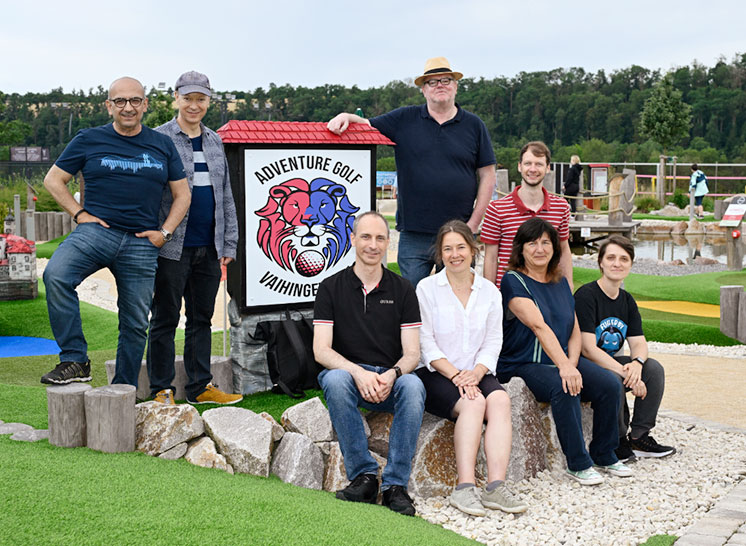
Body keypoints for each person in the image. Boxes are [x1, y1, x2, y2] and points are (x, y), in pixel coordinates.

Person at [41, 77, 190, 386]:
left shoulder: (162, 145)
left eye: (135, 100)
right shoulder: (88, 139)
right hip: (96, 233)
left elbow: (183, 194)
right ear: (109, 106)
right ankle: (75, 359)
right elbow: (53, 180)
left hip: (141, 242)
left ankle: (123, 388)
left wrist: (165, 232)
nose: (128, 107)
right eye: (120, 101)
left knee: (135, 323)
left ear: (145, 105)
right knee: (56, 275)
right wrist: (80, 214)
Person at [327, 57, 496, 287]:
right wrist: (346, 117)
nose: (440, 85)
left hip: (459, 231)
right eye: (432, 82)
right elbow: (366, 124)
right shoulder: (404, 118)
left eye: (446, 80)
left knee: (458, 297)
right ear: (423, 90)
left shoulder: (474, 126)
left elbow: (488, 175)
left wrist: (474, 224)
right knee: (409, 300)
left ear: (456, 86)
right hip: (415, 233)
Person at [496, 218, 630, 485]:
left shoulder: (560, 281)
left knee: (609, 384)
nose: (540, 249)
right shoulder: (513, 280)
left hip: (559, 359)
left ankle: (604, 453)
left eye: (546, 242)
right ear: (520, 248)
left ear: (555, 248)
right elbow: (538, 326)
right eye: (532, 243)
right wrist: (566, 368)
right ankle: (578, 463)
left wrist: (571, 361)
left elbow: (574, 329)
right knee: (565, 385)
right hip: (523, 362)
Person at [313, 211, 426, 516]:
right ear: (352, 239)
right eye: (365, 237)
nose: (372, 245)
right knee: (334, 380)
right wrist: (357, 372)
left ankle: (394, 485)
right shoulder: (330, 287)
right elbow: (321, 350)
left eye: (379, 238)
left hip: (390, 379)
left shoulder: (403, 289)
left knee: (413, 385)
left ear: (388, 242)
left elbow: (412, 354)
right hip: (349, 377)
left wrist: (393, 375)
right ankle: (364, 476)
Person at [415, 220, 527, 516]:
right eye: (447, 249)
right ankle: (464, 488)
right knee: (474, 404)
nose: (455, 254)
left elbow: (493, 341)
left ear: (473, 249)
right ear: (439, 254)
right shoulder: (426, 289)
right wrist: (456, 375)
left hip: (475, 371)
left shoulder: (489, 291)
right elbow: (425, 343)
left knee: (500, 399)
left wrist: (475, 374)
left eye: (461, 247)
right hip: (436, 372)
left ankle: (495, 488)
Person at [144, 71, 241, 406]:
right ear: (176, 98)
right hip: (172, 247)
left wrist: (228, 243)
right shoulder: (158, 139)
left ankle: (200, 387)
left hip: (209, 247)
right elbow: (150, 194)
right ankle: (160, 388)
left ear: (208, 102)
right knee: (165, 318)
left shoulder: (215, 141)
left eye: (201, 99)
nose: (194, 105)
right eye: (188, 98)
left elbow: (225, 195)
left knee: (200, 319)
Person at [574, 235, 676, 462]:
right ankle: (617, 441)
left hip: (612, 364)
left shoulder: (626, 300)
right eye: (610, 257)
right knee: (613, 378)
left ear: (630, 265)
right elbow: (588, 349)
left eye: (623, 259)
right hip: (585, 367)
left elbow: (638, 342)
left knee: (654, 369)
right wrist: (628, 375)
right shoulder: (586, 296)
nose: (616, 263)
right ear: (600, 262)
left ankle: (639, 437)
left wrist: (637, 365)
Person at [481, 141, 572, 289]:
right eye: (528, 163)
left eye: (539, 164)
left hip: (548, 289)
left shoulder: (561, 207)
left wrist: (568, 286)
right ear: (519, 166)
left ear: (548, 168)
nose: (533, 169)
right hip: (509, 291)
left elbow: (564, 250)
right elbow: (490, 257)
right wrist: (491, 295)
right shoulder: (497, 208)